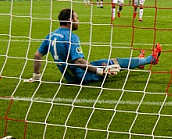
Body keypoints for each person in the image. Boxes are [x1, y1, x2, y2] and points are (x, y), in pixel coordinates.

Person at [29, 8, 161, 84]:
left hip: (69, 75)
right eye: (76, 18)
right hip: (81, 76)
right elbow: (79, 61)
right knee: (115, 64)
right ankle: (151, 59)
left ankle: (139, 62)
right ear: (70, 20)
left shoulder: (51, 35)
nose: (78, 21)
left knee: (111, 61)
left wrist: (36, 77)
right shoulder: (71, 37)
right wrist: (99, 71)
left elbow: (37, 55)